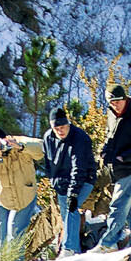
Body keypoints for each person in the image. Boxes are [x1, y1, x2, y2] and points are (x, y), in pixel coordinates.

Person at [95, 83, 131, 251]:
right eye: (112, 102)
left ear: (125, 99)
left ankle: (107, 243)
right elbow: (110, 136)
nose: (115, 105)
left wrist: (124, 157)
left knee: (118, 205)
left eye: (118, 101)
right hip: (116, 169)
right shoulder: (111, 114)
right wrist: (104, 151)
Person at [0, 124, 44, 247]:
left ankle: (16, 260)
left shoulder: (18, 141)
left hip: (25, 196)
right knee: (1, 238)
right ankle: (4, 260)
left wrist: (21, 146)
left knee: (15, 235)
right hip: (2, 198)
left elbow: (42, 149)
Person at [42, 106, 97, 253]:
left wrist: (73, 193)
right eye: (56, 128)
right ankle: (74, 248)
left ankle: (70, 249)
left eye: (63, 127)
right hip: (61, 183)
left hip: (84, 179)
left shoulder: (80, 138)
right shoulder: (48, 138)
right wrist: (54, 182)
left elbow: (79, 168)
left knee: (71, 207)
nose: (60, 131)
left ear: (68, 123)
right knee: (66, 216)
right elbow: (48, 163)